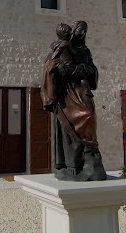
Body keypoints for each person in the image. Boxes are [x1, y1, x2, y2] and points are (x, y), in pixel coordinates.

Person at [41, 21, 107, 181]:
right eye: (79, 30)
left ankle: (90, 157)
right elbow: (62, 69)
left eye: (84, 31)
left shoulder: (85, 50)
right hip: (68, 93)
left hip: (82, 89)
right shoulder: (64, 49)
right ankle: (72, 164)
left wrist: (86, 69)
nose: (82, 34)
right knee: (76, 121)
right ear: (73, 32)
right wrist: (77, 69)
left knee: (90, 116)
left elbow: (91, 68)